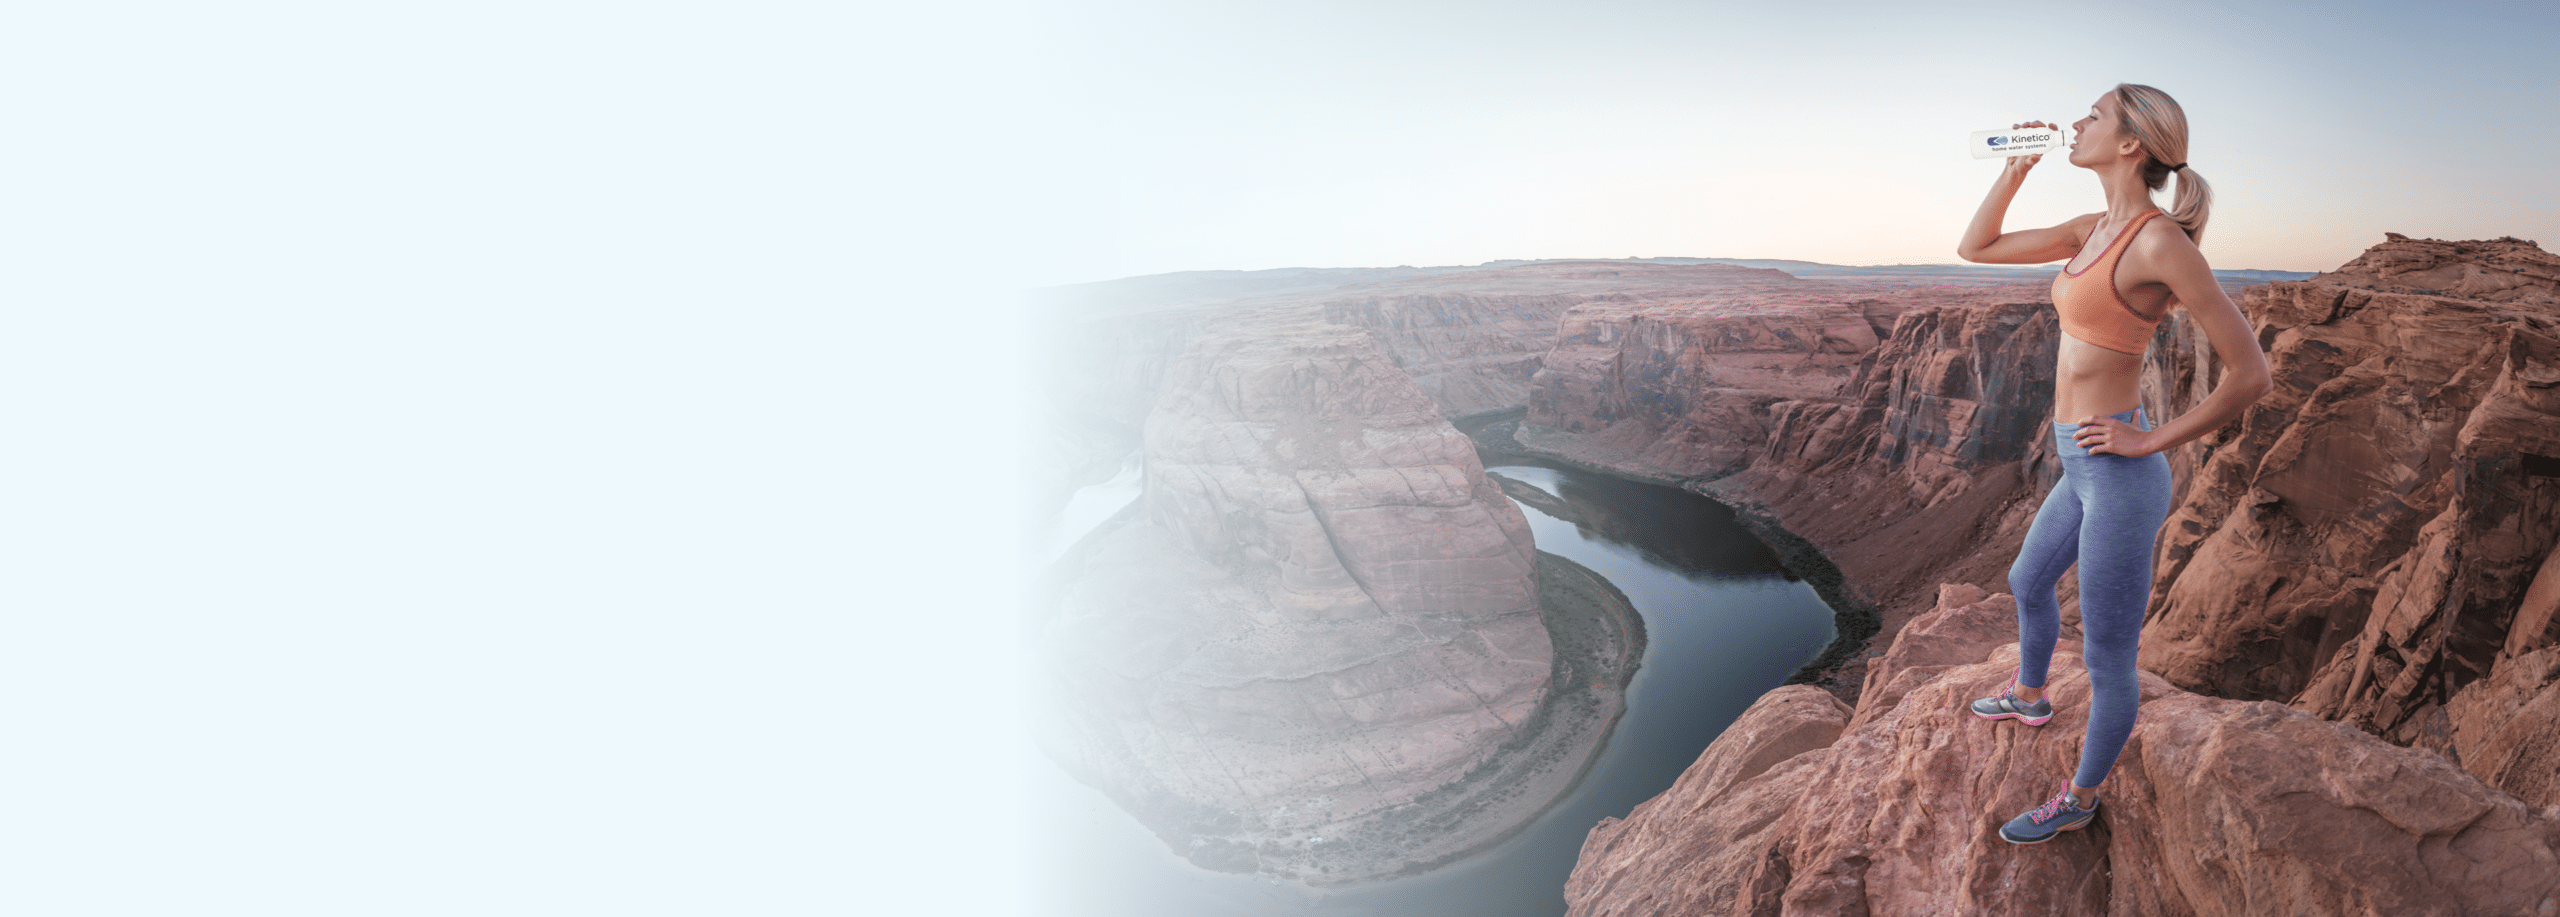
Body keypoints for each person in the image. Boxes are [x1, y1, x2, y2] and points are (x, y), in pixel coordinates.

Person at [1952, 84, 2273, 844]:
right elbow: (1977, 248)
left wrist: (2150, 440)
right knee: (2026, 580)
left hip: (2121, 472)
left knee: (2108, 655)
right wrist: (2015, 170)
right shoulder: (2090, 228)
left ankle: (2082, 795)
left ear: (2131, 143)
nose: (2076, 122)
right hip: (2078, 462)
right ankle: (2030, 693)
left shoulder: (2161, 245)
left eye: (2092, 115)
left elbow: (2251, 372)